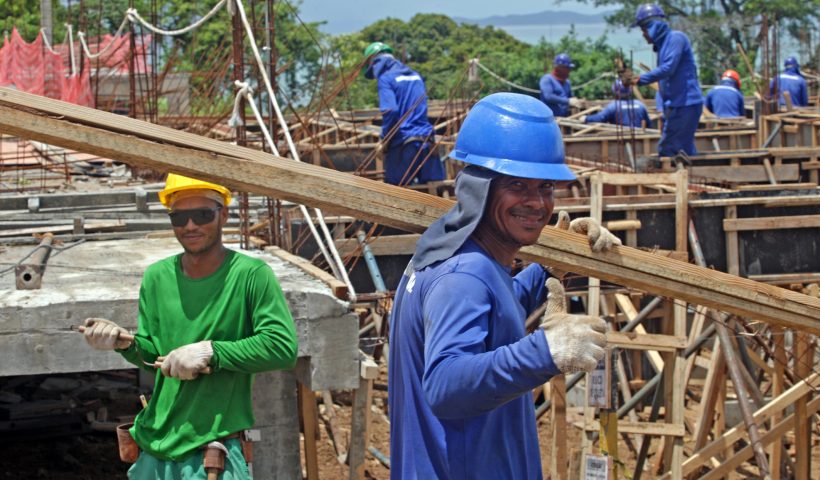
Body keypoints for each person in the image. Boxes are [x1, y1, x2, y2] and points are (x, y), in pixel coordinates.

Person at [388, 92, 619, 479]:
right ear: (479, 188)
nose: (537, 202)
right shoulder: (463, 277)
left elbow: (492, 312)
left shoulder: (448, 253)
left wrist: (549, 268)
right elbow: (445, 384)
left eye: (545, 187)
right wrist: (546, 351)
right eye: (518, 185)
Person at [81, 173, 298, 479]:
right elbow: (154, 356)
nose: (190, 226)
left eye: (202, 215)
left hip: (211, 451)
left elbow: (282, 348)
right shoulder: (156, 277)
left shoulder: (251, 276)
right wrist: (124, 343)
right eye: (180, 217)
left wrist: (211, 352)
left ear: (223, 214)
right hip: (154, 447)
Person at [363, 41, 445, 186]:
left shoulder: (386, 78)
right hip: (427, 141)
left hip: (404, 144)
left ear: (372, 61)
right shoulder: (415, 75)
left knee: (395, 191)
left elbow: (390, 110)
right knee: (434, 191)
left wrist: (384, 140)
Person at [630, 3, 703, 156]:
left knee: (669, 150)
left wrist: (640, 79)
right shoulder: (663, 46)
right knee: (683, 149)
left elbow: (668, 68)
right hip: (676, 105)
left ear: (653, 27)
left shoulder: (676, 38)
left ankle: (688, 170)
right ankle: (696, 169)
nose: (643, 34)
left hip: (685, 104)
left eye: (644, 30)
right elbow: (665, 82)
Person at [584, 78, 653, 128]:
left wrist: (586, 118)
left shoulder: (613, 106)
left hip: (618, 141)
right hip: (639, 139)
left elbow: (600, 118)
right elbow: (649, 125)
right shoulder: (640, 105)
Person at [539, 53, 584, 117]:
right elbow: (548, 96)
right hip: (548, 118)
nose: (569, 70)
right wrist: (568, 101)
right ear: (558, 67)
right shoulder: (547, 79)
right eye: (566, 67)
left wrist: (576, 101)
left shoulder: (567, 82)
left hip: (563, 117)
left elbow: (570, 97)